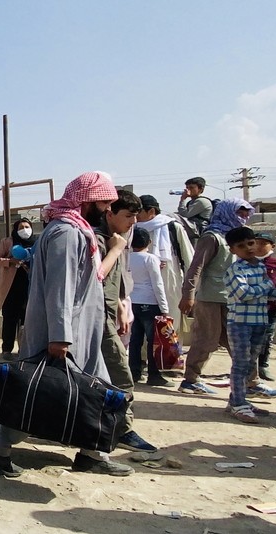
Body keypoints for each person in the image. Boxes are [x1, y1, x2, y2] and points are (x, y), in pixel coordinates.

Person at [0, 171, 134, 478]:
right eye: (104, 203)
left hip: (81, 330)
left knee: (93, 390)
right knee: (41, 393)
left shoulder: (76, 230)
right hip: (64, 332)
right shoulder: (66, 233)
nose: (107, 210)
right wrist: (61, 336)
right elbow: (60, 286)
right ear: (88, 200)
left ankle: (93, 453)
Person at [177, 198, 276, 396]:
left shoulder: (235, 239)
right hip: (212, 298)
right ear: (228, 212)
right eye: (240, 213)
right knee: (205, 340)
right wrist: (188, 295)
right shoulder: (212, 237)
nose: (244, 217)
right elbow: (196, 267)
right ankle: (191, 380)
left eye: (246, 213)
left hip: (233, 298)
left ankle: (252, 382)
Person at [95, 189, 158, 453]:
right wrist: (115, 249)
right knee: (121, 375)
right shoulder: (97, 239)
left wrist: (121, 303)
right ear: (110, 212)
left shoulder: (120, 238)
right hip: (93, 317)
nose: (134, 222)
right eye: (128, 216)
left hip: (109, 311)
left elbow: (118, 273)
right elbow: (95, 276)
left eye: (136, 216)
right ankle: (123, 430)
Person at [223, 226, 276, 424]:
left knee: (250, 363)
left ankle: (237, 399)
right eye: (241, 246)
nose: (249, 248)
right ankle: (239, 405)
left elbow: (266, 294)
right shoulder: (235, 270)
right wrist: (268, 286)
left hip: (259, 322)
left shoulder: (260, 267)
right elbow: (243, 294)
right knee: (241, 363)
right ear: (233, 250)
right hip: (240, 324)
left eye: (251, 243)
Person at [136, 195, 193, 333]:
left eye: (139, 211)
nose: (136, 215)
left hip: (169, 282)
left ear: (151, 211)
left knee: (170, 326)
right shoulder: (131, 228)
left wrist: (190, 290)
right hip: (140, 286)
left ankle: (171, 354)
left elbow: (188, 258)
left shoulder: (173, 227)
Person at [128, 228, 171, 386]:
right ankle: (154, 375)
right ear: (149, 242)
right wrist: (164, 308)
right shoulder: (150, 259)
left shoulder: (126, 257)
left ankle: (134, 373)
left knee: (135, 340)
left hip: (132, 301)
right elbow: (157, 284)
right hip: (150, 303)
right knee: (154, 341)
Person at [0, 218, 36, 360]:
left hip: (31, 288)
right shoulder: (7, 242)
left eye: (27, 226)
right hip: (11, 288)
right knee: (10, 319)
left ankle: (24, 350)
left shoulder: (37, 242)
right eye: (21, 227)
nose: (25, 230)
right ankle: (7, 350)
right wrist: (10, 261)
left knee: (28, 320)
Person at [253, 232, 276, 381]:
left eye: (263, 243)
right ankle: (249, 368)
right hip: (250, 309)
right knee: (250, 339)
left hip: (269, 309)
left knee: (267, 337)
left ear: (272, 246)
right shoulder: (246, 262)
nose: (259, 247)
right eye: (256, 243)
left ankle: (263, 366)